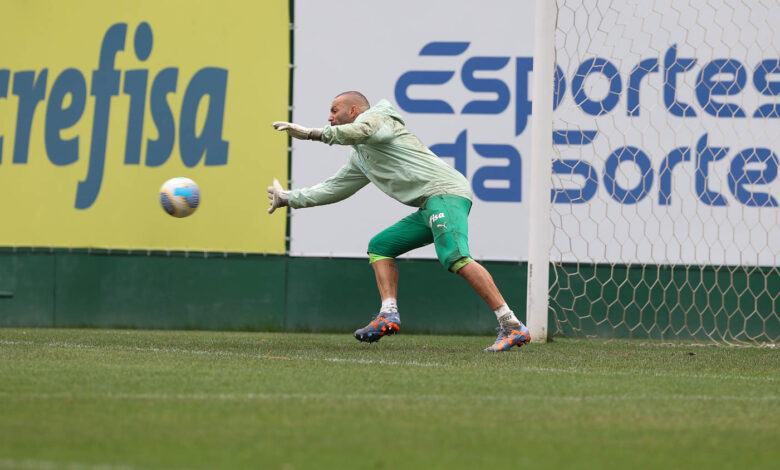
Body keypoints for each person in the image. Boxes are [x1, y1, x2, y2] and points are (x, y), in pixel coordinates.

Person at [268, 91, 530, 352]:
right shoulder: (359, 156)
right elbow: (333, 188)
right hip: (429, 204)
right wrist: (289, 198)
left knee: (455, 257)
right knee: (381, 246)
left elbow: (364, 131)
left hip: (445, 193)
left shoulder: (379, 119)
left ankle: (512, 325)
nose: (329, 116)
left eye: (335, 110)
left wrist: (315, 133)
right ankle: (388, 314)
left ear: (354, 112)